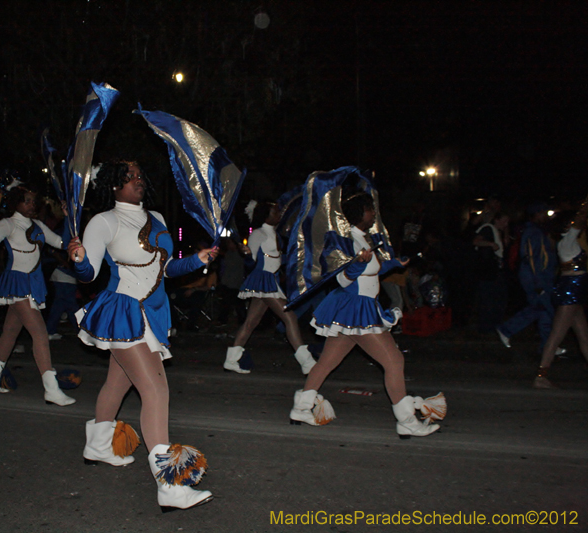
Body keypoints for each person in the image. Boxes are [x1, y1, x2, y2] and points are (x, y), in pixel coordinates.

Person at [68, 160, 215, 511]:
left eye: (139, 176)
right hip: (123, 312)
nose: (137, 181)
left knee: (118, 384)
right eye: (128, 177)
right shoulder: (104, 221)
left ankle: (99, 446)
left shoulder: (159, 219)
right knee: (156, 390)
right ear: (113, 185)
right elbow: (89, 275)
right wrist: (78, 259)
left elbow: (166, 269)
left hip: (151, 314)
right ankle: (170, 486)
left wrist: (197, 259)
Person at [288, 190, 445, 438]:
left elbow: (372, 269)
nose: (374, 214)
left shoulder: (364, 238)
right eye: (371, 209)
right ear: (361, 213)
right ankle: (406, 421)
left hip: (358, 309)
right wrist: (358, 264)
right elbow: (341, 278)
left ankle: (301, 408)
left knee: (327, 362)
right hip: (354, 308)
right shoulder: (345, 240)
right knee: (394, 360)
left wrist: (394, 264)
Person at [0, 184, 75, 406]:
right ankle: (51, 389)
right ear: (16, 203)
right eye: (27, 200)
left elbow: (62, 243)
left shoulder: (39, 225)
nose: (32, 205)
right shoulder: (7, 224)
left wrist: (69, 220)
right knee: (40, 333)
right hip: (18, 283)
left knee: (10, 332)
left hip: (33, 282)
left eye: (34, 201)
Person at [223, 200, 315, 375]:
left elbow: (279, 259)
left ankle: (231, 359)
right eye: (275, 212)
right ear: (265, 215)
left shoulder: (276, 234)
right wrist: (247, 255)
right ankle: (307, 361)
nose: (279, 215)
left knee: (251, 322)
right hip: (263, 280)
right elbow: (251, 264)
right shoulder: (258, 234)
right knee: (290, 317)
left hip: (271, 280)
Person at [533, 205, 588, 388]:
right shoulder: (568, 241)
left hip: (573, 292)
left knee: (584, 336)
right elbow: (579, 221)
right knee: (557, 335)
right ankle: (541, 375)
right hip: (570, 292)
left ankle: (542, 375)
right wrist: (583, 209)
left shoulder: (567, 242)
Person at [496, 204, 557, 352]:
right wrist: (538, 282)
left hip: (539, 277)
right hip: (537, 278)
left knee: (544, 310)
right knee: (540, 307)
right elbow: (533, 259)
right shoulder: (533, 232)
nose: (545, 216)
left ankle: (548, 345)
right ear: (536, 214)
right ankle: (507, 329)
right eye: (543, 213)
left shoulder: (537, 231)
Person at [472, 212, 509, 333]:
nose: (506, 224)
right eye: (504, 221)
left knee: (497, 299)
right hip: (488, 271)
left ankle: (494, 325)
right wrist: (490, 244)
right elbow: (476, 241)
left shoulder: (499, 232)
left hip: (496, 270)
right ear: (496, 220)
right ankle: (486, 327)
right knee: (488, 299)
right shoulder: (488, 229)